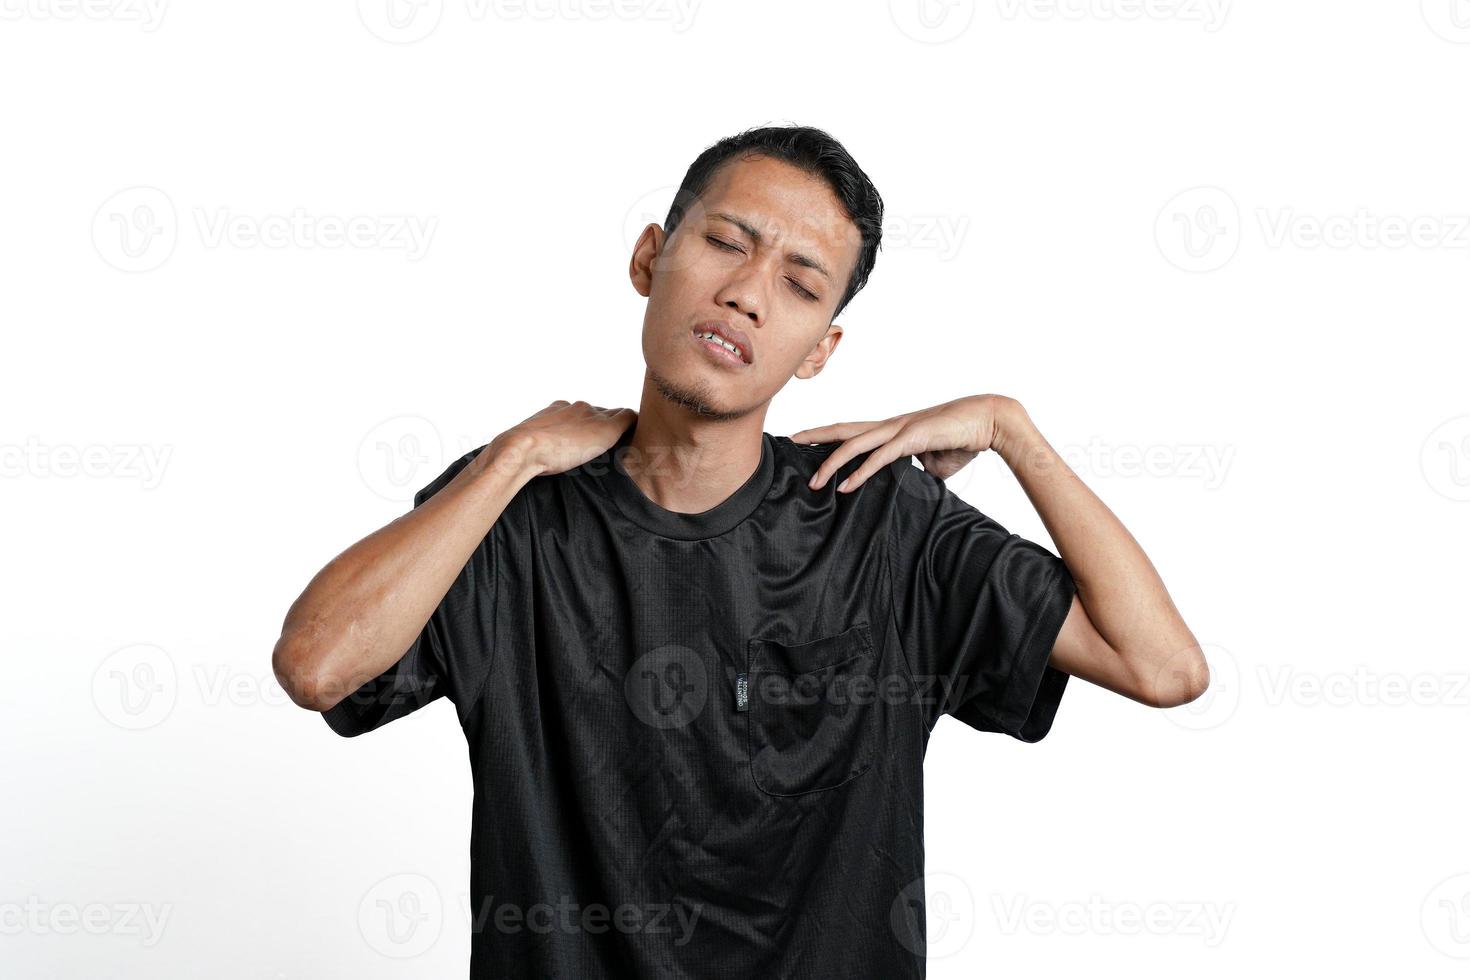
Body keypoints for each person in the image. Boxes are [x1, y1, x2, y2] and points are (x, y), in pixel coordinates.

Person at [272, 124, 1207, 979]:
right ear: (650, 256)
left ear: (819, 349)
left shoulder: (877, 516)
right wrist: (513, 457)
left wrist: (1012, 430)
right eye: (726, 242)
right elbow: (317, 667)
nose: (748, 293)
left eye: (799, 285)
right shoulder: (516, 510)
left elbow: (1160, 665)